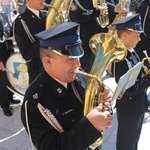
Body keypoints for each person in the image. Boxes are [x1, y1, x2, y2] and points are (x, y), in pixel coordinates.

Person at [21, 22, 113, 150]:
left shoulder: (80, 76)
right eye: (70, 58)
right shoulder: (34, 102)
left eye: (78, 56)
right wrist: (90, 126)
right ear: (48, 62)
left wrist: (100, 103)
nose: (77, 64)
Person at [111, 14, 150, 150]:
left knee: (134, 140)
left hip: (137, 106)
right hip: (129, 108)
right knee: (126, 143)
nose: (140, 39)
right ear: (125, 36)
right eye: (137, 35)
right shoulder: (121, 58)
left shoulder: (132, 51)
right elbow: (130, 89)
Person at [69, 0, 123, 73]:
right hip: (85, 41)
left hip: (96, 38)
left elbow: (101, 3)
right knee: (84, 71)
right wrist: (97, 11)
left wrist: (113, 9)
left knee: (95, 70)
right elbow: (76, 17)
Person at [13, 0, 46, 84]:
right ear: (28, 1)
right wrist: (47, 34)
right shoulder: (21, 21)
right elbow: (27, 55)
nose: (43, 0)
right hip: (39, 74)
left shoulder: (47, 15)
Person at [0, 21, 20, 116]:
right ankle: (4, 104)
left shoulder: (3, 15)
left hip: (7, 49)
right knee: (1, 82)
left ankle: (10, 96)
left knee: (8, 77)